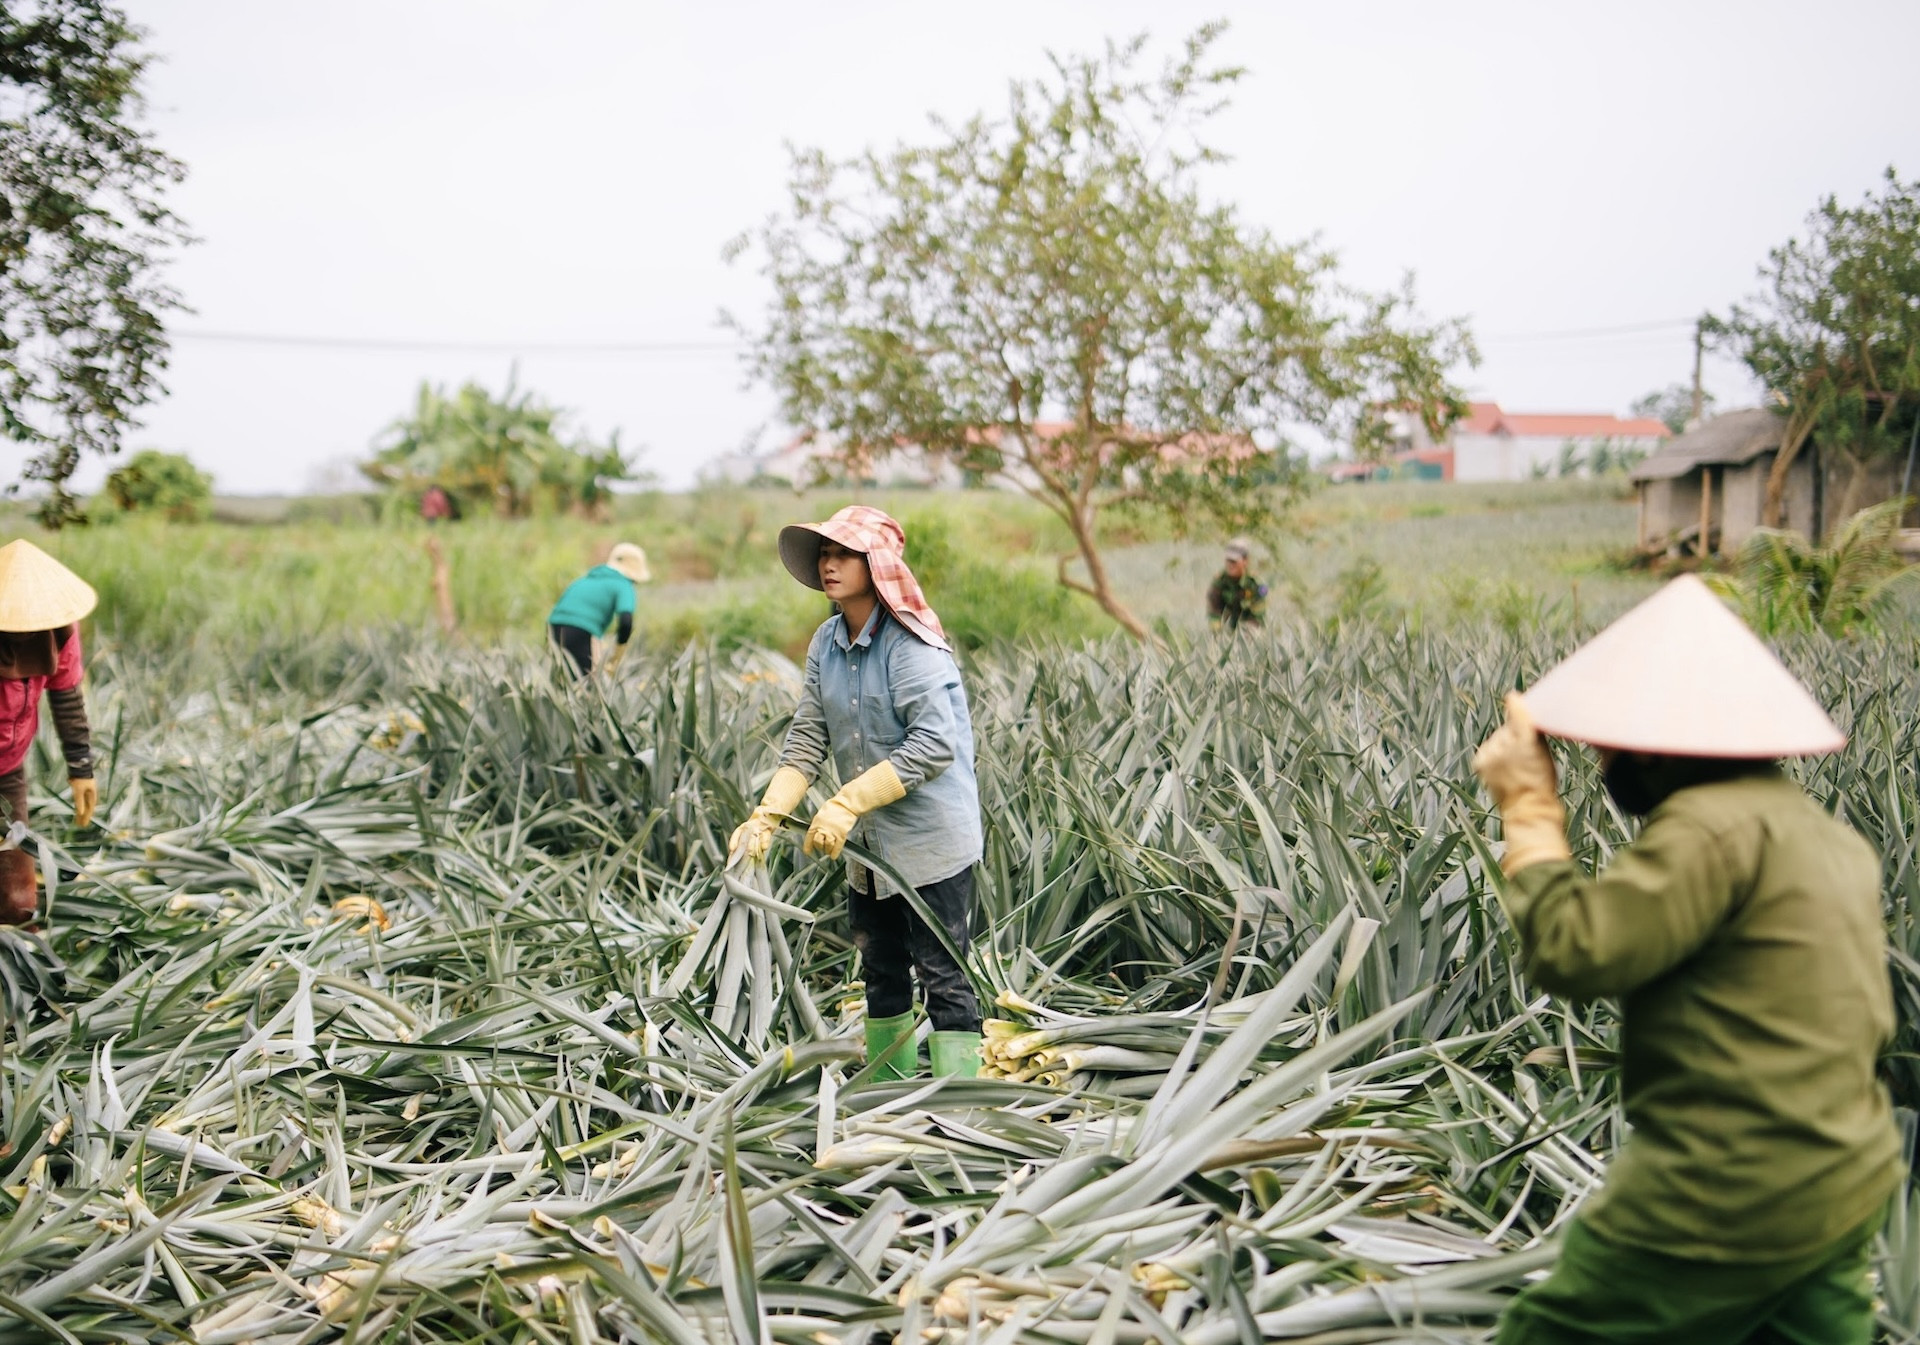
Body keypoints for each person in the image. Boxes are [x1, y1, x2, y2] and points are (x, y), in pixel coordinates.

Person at [1471, 575, 1902, 1345]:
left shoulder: (1709, 828)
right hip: (1843, 1174)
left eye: (1606, 742)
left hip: (1727, 1189)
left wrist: (1528, 808)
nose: (1600, 760)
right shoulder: (1826, 837)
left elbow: (1575, 951)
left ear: (1652, 745)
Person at [728, 506, 985, 1080]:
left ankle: (963, 1106)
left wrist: (846, 802)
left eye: (844, 554)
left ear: (878, 565)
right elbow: (807, 736)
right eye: (825, 553)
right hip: (868, 846)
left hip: (929, 841)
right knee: (880, 968)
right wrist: (768, 814)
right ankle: (888, 1093)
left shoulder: (910, 644)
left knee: (943, 975)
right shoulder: (826, 641)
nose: (830, 564)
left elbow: (935, 744)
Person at [0, 541, 99, 925]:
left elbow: (67, 698)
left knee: (16, 896)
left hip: (8, 771)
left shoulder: (59, 633)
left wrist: (81, 767)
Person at [547, 543, 650, 678]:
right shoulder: (623, 584)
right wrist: (618, 653)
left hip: (553, 627)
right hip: (583, 630)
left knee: (563, 678)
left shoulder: (584, 580)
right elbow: (626, 621)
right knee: (590, 681)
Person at [1206, 537, 1266, 629]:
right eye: (1228, 560)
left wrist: (1245, 631)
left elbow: (1258, 617)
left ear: (1245, 561)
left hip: (1250, 629)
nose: (1230, 565)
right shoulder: (1219, 582)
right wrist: (1218, 631)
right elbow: (1214, 613)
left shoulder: (1255, 584)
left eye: (1234, 561)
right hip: (1226, 628)